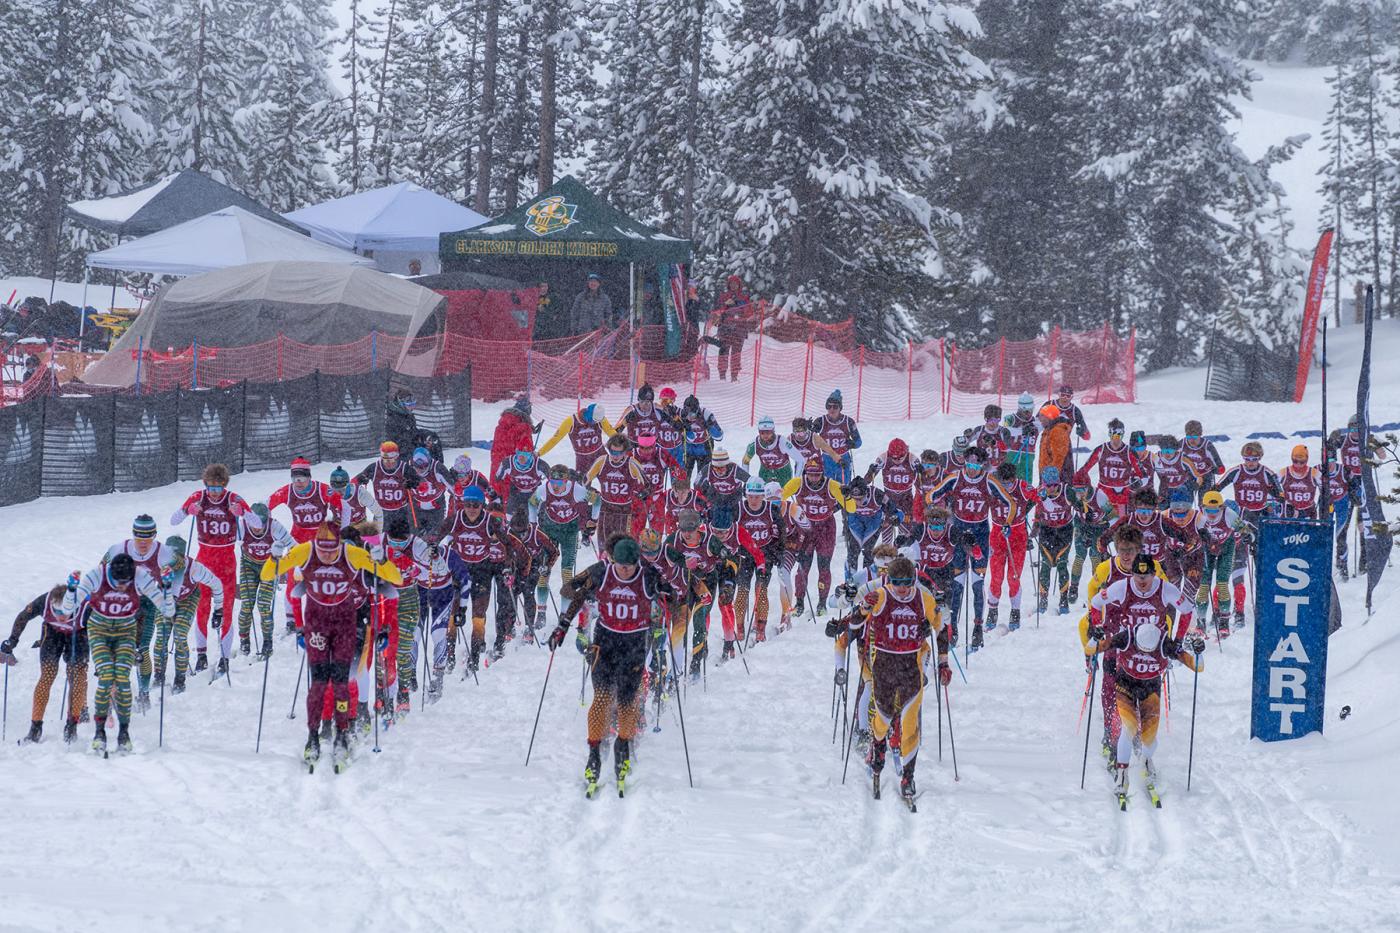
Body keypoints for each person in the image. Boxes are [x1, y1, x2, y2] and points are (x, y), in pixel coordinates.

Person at [261, 522, 401, 771]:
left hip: (345, 625)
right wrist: (274, 558)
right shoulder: (305, 551)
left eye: (332, 550)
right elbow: (269, 575)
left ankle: (342, 735)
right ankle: (313, 736)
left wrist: (381, 562)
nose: (327, 556)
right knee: (318, 683)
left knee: (341, 682)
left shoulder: (354, 555)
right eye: (323, 550)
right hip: (318, 625)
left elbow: (394, 579)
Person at [548, 536, 675, 797]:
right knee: (602, 698)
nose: (625, 570)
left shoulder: (647, 575)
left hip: (635, 644)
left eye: (629, 565)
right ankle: (594, 754)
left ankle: (622, 748)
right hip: (605, 642)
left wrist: (666, 593)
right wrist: (562, 626)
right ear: (613, 560)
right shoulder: (602, 572)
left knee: (629, 701)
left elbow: (671, 598)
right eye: (620, 565)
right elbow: (571, 593)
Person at [829, 556, 947, 803]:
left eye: (907, 582)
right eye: (896, 582)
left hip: (910, 668)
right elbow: (854, 625)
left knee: (910, 725)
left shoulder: (922, 598)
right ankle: (878, 748)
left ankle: (908, 777)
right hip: (883, 667)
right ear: (889, 580)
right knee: (881, 721)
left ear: (913, 580)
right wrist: (862, 609)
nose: (902, 588)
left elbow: (942, 628)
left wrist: (943, 662)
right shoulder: (880, 596)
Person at [1088, 554, 1203, 805]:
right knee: (1128, 727)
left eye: (1146, 577)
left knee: (1149, 734)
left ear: (1154, 575)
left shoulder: (1165, 589)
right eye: (1138, 576)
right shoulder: (1122, 586)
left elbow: (1188, 610)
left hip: (1154, 660)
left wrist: (1178, 639)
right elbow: (1096, 603)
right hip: (1127, 656)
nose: (1142, 582)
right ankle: (1121, 774)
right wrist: (1097, 628)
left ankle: (1148, 760)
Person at [66, 553, 171, 753]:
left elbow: (167, 610)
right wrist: (72, 589)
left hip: (125, 631)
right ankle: (100, 732)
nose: (122, 586)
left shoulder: (140, 576)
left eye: (126, 581)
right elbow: (68, 607)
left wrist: (166, 588)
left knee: (122, 678)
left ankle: (124, 733)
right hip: (99, 630)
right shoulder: (97, 575)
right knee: (106, 677)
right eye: (118, 581)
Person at [170, 463, 261, 676]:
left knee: (226, 608)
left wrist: (242, 514)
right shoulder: (198, 497)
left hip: (227, 560)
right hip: (205, 559)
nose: (214, 493)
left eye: (218, 488)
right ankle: (201, 654)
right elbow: (173, 520)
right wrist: (187, 510)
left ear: (224, 486)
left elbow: (256, 523)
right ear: (205, 485)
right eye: (210, 487)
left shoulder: (233, 499)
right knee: (202, 607)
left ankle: (224, 657)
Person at [924, 446, 1016, 651]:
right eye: (969, 464)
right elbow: (931, 495)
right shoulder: (955, 477)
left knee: (977, 583)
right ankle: (953, 628)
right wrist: (935, 510)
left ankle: (977, 627)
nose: (972, 469)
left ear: (983, 465)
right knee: (956, 584)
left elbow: (1010, 502)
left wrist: (1007, 523)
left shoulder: (989, 481)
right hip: (957, 533)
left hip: (980, 533)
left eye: (976, 465)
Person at [104, 514, 177, 712]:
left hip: (147, 602)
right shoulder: (119, 549)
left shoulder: (164, 552)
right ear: (133, 534)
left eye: (148, 537)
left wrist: (169, 591)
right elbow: (102, 572)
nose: (143, 542)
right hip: (123, 602)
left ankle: (143, 693)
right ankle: (114, 692)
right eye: (139, 537)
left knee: (142, 649)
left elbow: (178, 573)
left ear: (154, 535)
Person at [1, 581, 89, 744]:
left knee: (76, 676)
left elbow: (101, 628)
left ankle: (72, 725)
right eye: (57, 611)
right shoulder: (45, 601)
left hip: (78, 635)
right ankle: (35, 728)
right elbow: (23, 616)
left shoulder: (85, 605)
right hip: (52, 634)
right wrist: (12, 641)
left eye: (66, 612)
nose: (61, 617)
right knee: (47, 676)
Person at [782, 456, 856, 616]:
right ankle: (799, 603)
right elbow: (779, 496)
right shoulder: (797, 483)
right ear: (805, 472)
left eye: (817, 474)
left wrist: (847, 496)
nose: (813, 478)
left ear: (822, 473)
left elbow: (851, 509)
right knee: (803, 567)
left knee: (824, 567)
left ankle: (822, 604)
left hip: (826, 528)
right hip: (805, 529)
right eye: (810, 474)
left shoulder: (832, 485)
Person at [154, 536, 228, 693]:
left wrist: (219, 610)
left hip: (188, 599)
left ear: (183, 556)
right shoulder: (158, 564)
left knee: (180, 635)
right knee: (162, 636)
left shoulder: (194, 568)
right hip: (165, 599)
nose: (172, 563)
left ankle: (180, 680)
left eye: (177, 559)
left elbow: (217, 584)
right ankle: (158, 676)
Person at [530, 464, 598, 626]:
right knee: (543, 571)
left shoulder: (576, 489)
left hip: (569, 532)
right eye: (553, 481)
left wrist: (593, 520)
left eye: (560, 483)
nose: (555, 486)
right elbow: (531, 503)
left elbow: (597, 500)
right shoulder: (544, 489)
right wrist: (532, 525)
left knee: (566, 574)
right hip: (549, 531)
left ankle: (563, 613)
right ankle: (541, 612)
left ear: (566, 482)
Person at [236, 503, 293, 659]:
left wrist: (287, 561)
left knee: (263, 604)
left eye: (260, 523)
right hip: (248, 564)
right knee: (247, 604)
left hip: (270, 566)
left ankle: (267, 642)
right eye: (253, 523)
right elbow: (225, 541)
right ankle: (244, 640)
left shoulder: (275, 526)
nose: (257, 528)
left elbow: (293, 545)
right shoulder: (241, 525)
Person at [987, 461, 1037, 631]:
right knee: (996, 577)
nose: (1007, 486)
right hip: (997, 536)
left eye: (1009, 482)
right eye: (1004, 483)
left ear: (1014, 479)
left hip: (1017, 536)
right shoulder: (993, 487)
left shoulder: (1022, 487)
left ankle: (1015, 612)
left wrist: (1041, 496)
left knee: (1013, 576)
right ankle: (992, 611)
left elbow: (1038, 496)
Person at [587, 434, 651, 545]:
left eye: (619, 453)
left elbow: (648, 485)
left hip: (624, 511)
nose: (615, 456)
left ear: (625, 451)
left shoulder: (631, 464)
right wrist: (592, 496)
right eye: (612, 452)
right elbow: (585, 482)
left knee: (621, 547)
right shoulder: (602, 462)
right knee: (604, 546)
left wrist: (642, 494)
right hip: (605, 509)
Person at [1075, 418, 1148, 514]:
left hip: (1123, 495)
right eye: (1114, 434)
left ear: (1123, 434)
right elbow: (1084, 470)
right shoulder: (1101, 450)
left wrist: (1138, 483)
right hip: (1104, 494)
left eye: (1119, 435)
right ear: (1109, 434)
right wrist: (1077, 484)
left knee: (1122, 525)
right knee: (1104, 522)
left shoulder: (1129, 452)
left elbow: (1144, 476)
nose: (1116, 439)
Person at [1033, 466, 1075, 615]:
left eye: (1054, 485)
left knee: (1062, 564)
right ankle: (1043, 601)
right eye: (1048, 485)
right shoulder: (1039, 492)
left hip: (1064, 531)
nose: (1051, 488)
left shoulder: (1066, 490)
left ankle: (1063, 601)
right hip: (1047, 531)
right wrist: (1033, 526)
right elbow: (1033, 507)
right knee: (1046, 565)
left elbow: (1079, 503)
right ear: (1043, 483)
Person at [538, 403, 616, 476]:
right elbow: (555, 439)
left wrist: (624, 443)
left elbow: (611, 432)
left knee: (611, 478)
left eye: (597, 421)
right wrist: (539, 453)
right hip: (583, 459)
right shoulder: (570, 421)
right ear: (588, 415)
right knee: (582, 485)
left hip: (600, 454)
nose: (595, 423)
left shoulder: (600, 419)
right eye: (594, 420)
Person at [490, 396, 538, 500]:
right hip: (513, 472)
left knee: (496, 505)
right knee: (512, 509)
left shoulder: (500, 425)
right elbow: (526, 452)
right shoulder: (524, 428)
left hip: (496, 469)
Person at [814, 390, 861, 483]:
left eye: (835, 407)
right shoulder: (821, 421)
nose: (831, 409)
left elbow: (859, 441)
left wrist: (853, 444)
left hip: (843, 458)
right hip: (827, 459)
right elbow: (810, 439)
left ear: (840, 408)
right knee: (827, 486)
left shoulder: (848, 422)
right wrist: (808, 428)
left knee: (844, 486)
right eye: (829, 406)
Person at [711, 275, 751, 381]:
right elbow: (717, 311)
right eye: (731, 284)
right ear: (728, 285)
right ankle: (722, 376)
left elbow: (748, 312)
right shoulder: (723, 296)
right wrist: (725, 306)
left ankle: (734, 376)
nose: (733, 286)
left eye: (735, 284)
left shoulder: (744, 297)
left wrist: (737, 304)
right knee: (723, 352)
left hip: (739, 330)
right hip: (725, 329)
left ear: (739, 285)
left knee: (736, 354)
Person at [744, 416, 800, 486]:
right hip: (765, 474)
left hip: (783, 474)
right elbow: (745, 461)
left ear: (773, 431)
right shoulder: (754, 444)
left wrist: (797, 480)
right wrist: (746, 481)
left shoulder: (782, 441)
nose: (765, 435)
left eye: (768, 432)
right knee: (765, 496)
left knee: (781, 496)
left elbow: (800, 459)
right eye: (762, 433)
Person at [1179, 420, 1225, 497]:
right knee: (1185, 503)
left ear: (1200, 435)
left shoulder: (1207, 445)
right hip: (1189, 477)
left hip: (1205, 477)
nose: (1192, 440)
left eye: (1194, 437)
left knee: (1204, 502)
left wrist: (1215, 470)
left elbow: (1220, 467)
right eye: (1189, 437)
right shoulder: (1182, 444)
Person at [1004, 392, 1040, 482]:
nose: (1028, 413)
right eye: (1025, 411)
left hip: (1028, 458)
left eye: (1030, 410)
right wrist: (1022, 431)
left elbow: (1049, 424)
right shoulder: (1010, 419)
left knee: (1026, 485)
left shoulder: (1036, 421)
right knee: (1009, 483)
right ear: (1020, 408)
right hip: (1012, 455)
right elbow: (1005, 431)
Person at [1279, 445, 1320, 520]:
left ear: (1306, 460)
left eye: (1302, 462)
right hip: (1289, 512)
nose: (1298, 464)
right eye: (1295, 461)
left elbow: (1327, 489)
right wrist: (1279, 499)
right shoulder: (1284, 472)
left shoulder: (1314, 473)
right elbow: (1270, 486)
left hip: (1308, 512)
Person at [385, 388, 419, 453]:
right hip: (398, 452)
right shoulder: (394, 418)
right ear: (401, 404)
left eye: (413, 404)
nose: (411, 407)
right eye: (409, 404)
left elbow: (413, 432)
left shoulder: (409, 415)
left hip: (409, 447)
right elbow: (395, 439)